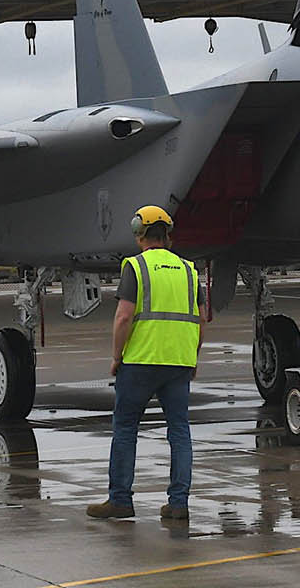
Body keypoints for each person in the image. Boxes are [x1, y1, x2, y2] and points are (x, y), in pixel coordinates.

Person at [88, 204, 203, 523]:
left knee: (126, 428)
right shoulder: (189, 270)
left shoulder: (136, 267)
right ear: (167, 235)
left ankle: (120, 500)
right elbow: (199, 321)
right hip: (179, 362)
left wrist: (117, 356)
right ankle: (178, 504)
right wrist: (192, 356)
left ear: (140, 234)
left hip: (140, 361)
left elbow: (124, 316)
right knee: (179, 431)